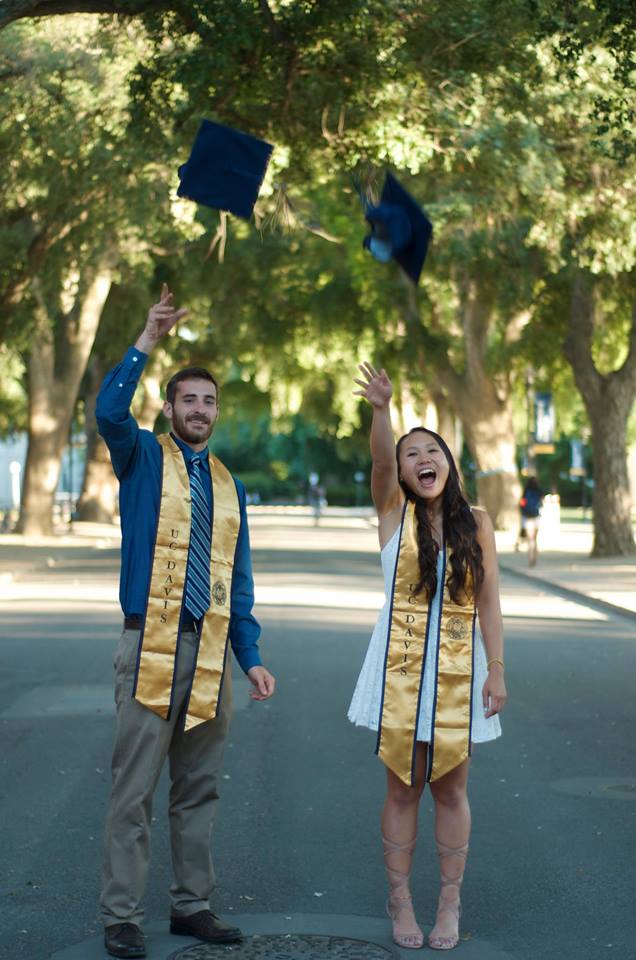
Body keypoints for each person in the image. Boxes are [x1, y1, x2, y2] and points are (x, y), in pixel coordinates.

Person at [96, 284, 275, 959]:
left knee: (198, 788)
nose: (200, 410)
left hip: (211, 649)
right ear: (168, 409)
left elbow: (241, 578)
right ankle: (121, 915)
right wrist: (146, 341)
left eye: (209, 402)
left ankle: (191, 904)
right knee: (134, 787)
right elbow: (108, 409)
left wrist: (250, 656)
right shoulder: (141, 458)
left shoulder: (229, 484)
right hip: (150, 645)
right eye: (188, 400)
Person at [348, 363, 506, 951]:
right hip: (399, 672)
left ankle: (449, 902)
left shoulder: (479, 524)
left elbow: (489, 603)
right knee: (402, 789)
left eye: (430, 449)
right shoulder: (393, 514)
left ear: (447, 461)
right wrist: (383, 411)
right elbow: (382, 462)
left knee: (451, 790)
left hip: (460, 676)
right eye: (411, 454)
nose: (419, 459)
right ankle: (400, 900)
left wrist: (498, 669)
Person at [518, 476, 543, 567]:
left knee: (530, 539)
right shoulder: (539, 491)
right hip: (536, 516)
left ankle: (530, 558)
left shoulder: (526, 491)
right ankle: (535, 559)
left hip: (527, 517)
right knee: (535, 539)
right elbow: (541, 503)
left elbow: (522, 503)